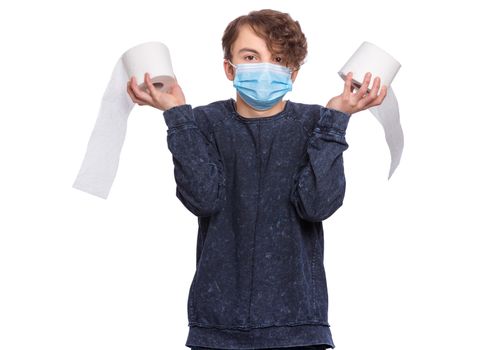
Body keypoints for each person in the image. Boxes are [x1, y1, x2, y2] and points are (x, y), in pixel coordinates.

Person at [127, 9, 386, 350]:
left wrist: (336, 120)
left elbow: (318, 206)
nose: (264, 67)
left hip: (298, 326)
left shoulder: (316, 124)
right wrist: (177, 116)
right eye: (251, 56)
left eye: (277, 58)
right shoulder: (203, 123)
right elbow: (202, 199)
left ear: (292, 72)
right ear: (229, 67)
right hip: (218, 326)